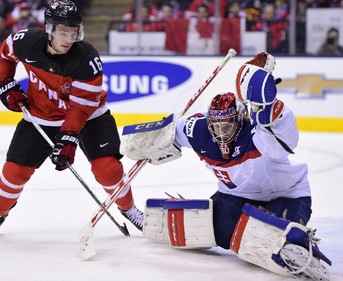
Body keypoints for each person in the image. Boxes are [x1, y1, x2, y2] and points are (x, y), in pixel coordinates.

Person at [120, 52, 331, 279]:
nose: (221, 131)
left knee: (274, 238)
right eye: (216, 125)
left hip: (285, 195)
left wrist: (262, 99)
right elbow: (168, 131)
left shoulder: (259, 135)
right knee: (213, 232)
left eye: (227, 125)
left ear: (239, 119)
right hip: (235, 197)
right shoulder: (197, 129)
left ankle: (296, 233)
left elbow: (282, 135)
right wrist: (142, 142)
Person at [0, 0, 144, 235]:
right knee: (14, 170)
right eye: (63, 32)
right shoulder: (26, 42)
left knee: (108, 169)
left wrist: (68, 138)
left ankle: (129, 209)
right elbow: (6, 53)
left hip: (90, 117)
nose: (68, 39)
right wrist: (5, 82)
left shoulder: (87, 59)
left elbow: (81, 108)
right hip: (42, 116)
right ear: (49, 29)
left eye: (74, 33)